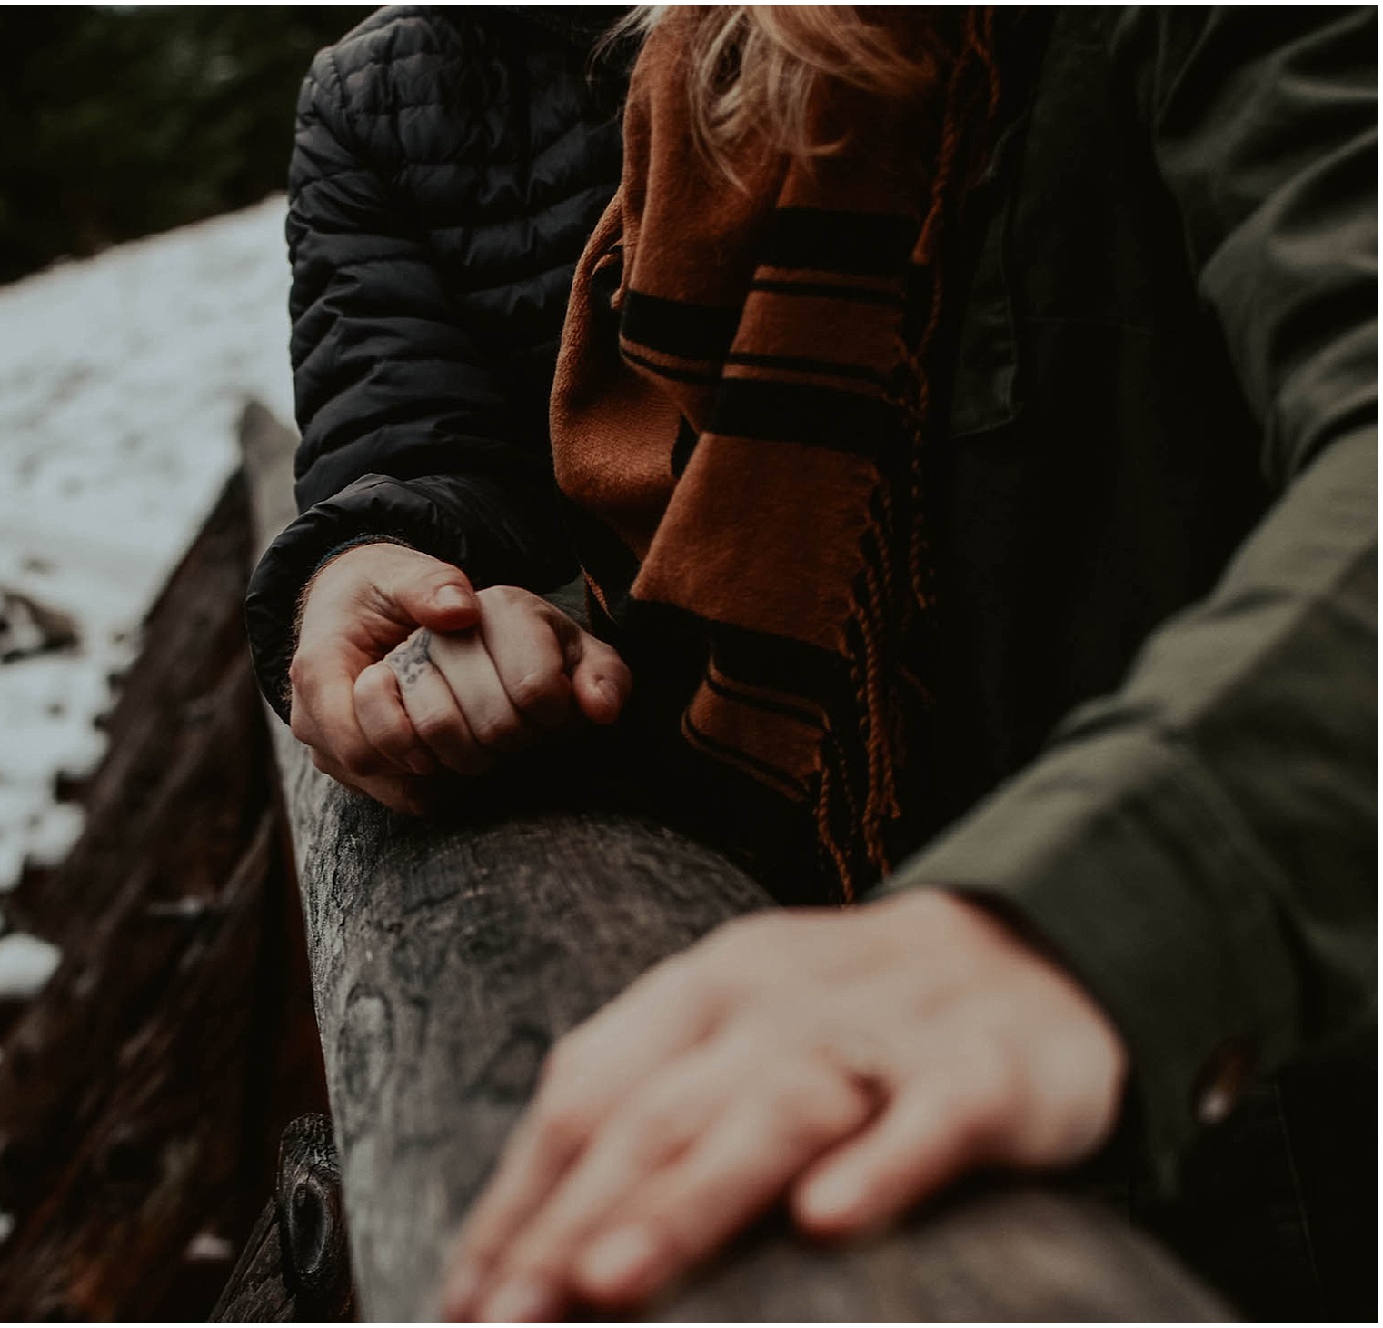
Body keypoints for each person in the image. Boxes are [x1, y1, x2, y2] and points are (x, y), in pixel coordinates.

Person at [247, 5, 1376, 1320]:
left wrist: (1082, 927)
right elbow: (423, 439)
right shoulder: (400, 104)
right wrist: (368, 571)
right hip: (785, 1028)